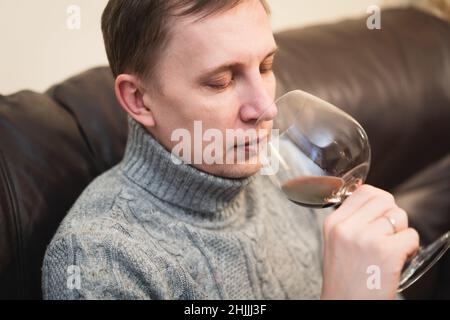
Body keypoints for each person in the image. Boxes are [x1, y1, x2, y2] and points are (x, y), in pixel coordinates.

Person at [42, 0, 419, 300]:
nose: (266, 108)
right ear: (139, 99)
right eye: (221, 81)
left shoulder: (281, 168)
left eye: (267, 66)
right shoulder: (98, 262)